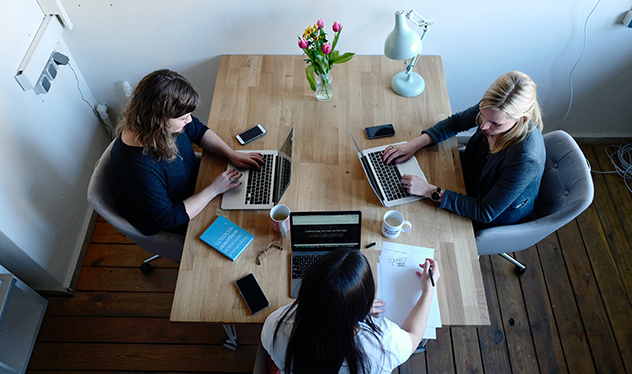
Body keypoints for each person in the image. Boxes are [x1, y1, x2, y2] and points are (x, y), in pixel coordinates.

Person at [111, 69, 264, 241]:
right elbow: (169, 218)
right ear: (158, 119)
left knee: (252, 203)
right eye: (183, 118)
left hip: (197, 186)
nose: (189, 121)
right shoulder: (138, 166)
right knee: (249, 226)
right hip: (178, 213)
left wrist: (230, 153)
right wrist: (213, 189)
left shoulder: (161, 125)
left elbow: (198, 131)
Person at [383, 71, 546, 230]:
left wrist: (429, 191)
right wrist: (414, 144)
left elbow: (485, 211)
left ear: (522, 119)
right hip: (471, 177)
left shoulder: (526, 159)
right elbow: (456, 123)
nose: (483, 126)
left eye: (495, 124)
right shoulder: (493, 108)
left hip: (492, 215)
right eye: (482, 115)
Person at [261, 248, 440, 374]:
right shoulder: (384, 344)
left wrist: (347, 306)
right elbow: (413, 336)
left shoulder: (276, 324)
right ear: (365, 303)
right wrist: (427, 290)